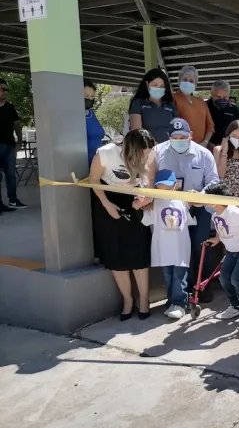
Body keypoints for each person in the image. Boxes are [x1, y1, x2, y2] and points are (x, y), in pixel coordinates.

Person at [89, 130, 156, 320]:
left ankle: (144, 299)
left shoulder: (149, 152)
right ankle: (127, 300)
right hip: (108, 200)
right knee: (115, 253)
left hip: (135, 199)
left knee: (139, 252)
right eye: (141, 151)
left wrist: (146, 198)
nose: (145, 155)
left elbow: (149, 181)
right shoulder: (106, 153)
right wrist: (107, 204)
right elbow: (94, 180)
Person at [155, 118, 220, 289]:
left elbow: (213, 181)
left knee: (200, 246)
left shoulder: (204, 154)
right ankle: (182, 292)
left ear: (190, 135)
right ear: (168, 136)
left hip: (198, 208)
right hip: (170, 210)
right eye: (175, 138)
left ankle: (203, 286)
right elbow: (149, 178)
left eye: (183, 137)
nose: (179, 141)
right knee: (176, 249)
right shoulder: (157, 152)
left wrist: (200, 196)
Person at [204, 183, 239, 321]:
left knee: (237, 279)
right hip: (231, 252)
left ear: (217, 201)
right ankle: (235, 306)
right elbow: (221, 229)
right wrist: (217, 239)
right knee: (224, 278)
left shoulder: (234, 212)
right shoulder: (215, 215)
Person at [142, 169, 195, 320]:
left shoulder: (183, 200)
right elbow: (147, 220)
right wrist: (145, 203)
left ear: (175, 185)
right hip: (163, 247)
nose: (164, 189)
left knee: (179, 275)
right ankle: (172, 301)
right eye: (161, 186)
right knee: (168, 275)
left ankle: (180, 303)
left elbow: (191, 218)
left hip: (180, 246)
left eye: (168, 185)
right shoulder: (154, 202)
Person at [128, 68, 177, 144]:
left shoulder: (171, 106)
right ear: (147, 84)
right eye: (155, 85)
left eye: (162, 86)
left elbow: (177, 129)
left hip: (169, 150)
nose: (158, 88)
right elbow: (136, 131)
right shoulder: (138, 103)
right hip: (147, 149)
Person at [0, 77, 25, 211]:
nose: (5, 92)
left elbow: (16, 124)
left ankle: (13, 200)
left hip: (9, 146)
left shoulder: (10, 108)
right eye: (3, 89)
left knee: (10, 174)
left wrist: (19, 141)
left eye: (6, 90)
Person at [173, 65, 214, 146]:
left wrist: (205, 142)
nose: (188, 82)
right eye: (185, 79)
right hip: (181, 146)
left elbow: (210, 126)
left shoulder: (201, 101)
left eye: (191, 81)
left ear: (195, 83)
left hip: (201, 146)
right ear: (179, 80)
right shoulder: (173, 98)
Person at [213, 120, 239, 200]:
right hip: (225, 196)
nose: (237, 139)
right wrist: (224, 151)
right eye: (234, 136)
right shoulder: (218, 150)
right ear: (228, 135)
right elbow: (220, 174)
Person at [207, 80, 239, 149]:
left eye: (225, 97)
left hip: (229, 148)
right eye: (218, 97)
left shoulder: (235, 110)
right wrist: (207, 143)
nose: (221, 99)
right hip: (207, 147)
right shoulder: (203, 107)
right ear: (211, 93)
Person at [84, 78, 105, 166]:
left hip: (98, 162)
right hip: (83, 165)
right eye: (86, 96)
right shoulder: (73, 116)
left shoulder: (91, 113)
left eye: (92, 96)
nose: (89, 99)